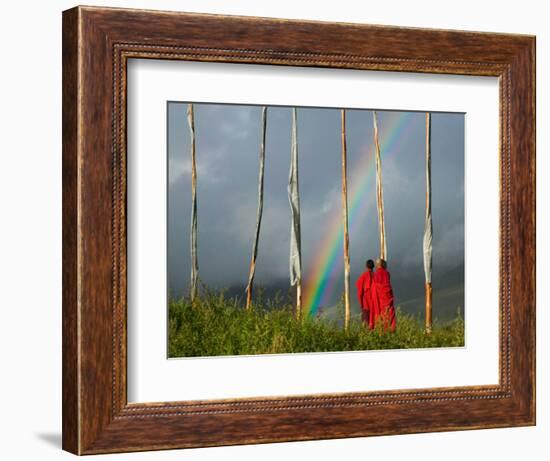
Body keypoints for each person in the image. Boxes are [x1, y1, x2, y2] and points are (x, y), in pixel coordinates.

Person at [372, 258, 396, 332]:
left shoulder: (376, 274)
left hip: (380, 297)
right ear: (383, 264)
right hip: (388, 296)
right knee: (390, 313)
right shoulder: (387, 273)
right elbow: (386, 285)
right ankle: (391, 330)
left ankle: (382, 332)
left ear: (377, 265)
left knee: (381, 314)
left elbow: (375, 287)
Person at [355, 259, 376, 329]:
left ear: (366, 266)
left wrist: (361, 303)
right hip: (375, 304)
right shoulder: (376, 276)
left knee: (365, 325)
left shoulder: (364, 276)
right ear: (373, 266)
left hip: (366, 304)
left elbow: (360, 290)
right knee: (374, 323)